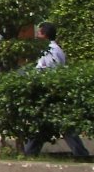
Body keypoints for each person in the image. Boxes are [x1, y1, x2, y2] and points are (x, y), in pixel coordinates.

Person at [23, 22, 89, 158]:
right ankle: (30, 153)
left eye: (39, 32)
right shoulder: (51, 49)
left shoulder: (51, 50)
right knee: (43, 126)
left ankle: (81, 154)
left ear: (45, 35)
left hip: (51, 93)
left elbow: (48, 72)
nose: (36, 35)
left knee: (61, 125)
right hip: (50, 93)